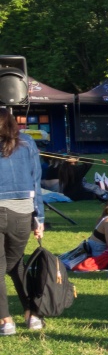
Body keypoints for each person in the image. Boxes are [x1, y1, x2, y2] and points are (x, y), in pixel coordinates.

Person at [0, 111, 45, 332]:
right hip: (22, 210)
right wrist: (40, 217)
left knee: (8, 265)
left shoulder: (25, 142)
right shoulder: (26, 142)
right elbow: (36, 181)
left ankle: (6, 320)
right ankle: (31, 314)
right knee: (15, 262)